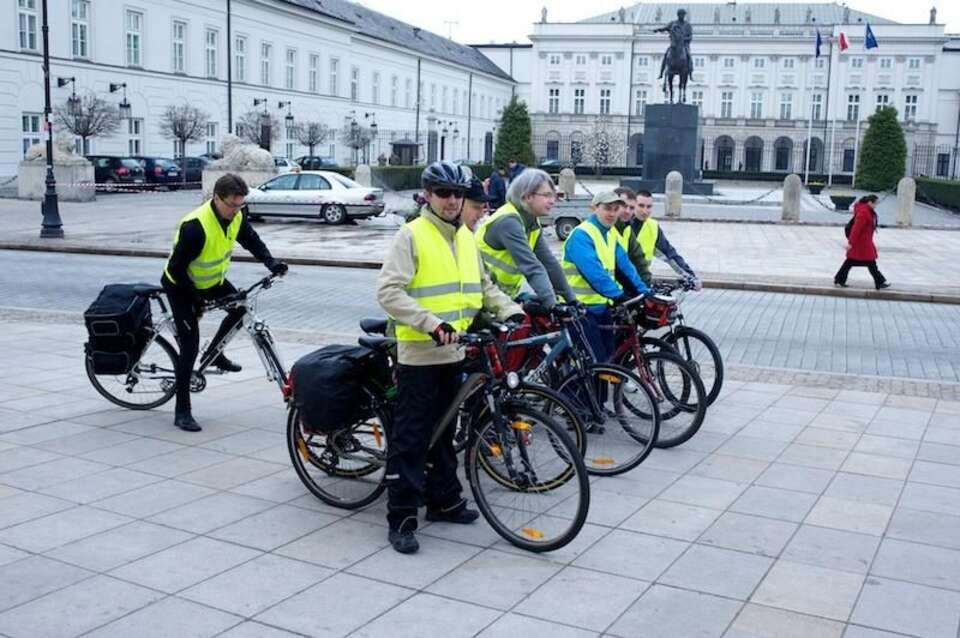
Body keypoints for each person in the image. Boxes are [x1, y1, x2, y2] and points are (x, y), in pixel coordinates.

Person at [376, 160, 524, 554]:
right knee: (411, 438)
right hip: (420, 354)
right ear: (428, 195)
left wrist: (511, 311)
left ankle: (444, 501)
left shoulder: (465, 238)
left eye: (457, 194)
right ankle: (402, 518)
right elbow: (389, 292)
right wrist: (431, 324)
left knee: (443, 432)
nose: (451, 201)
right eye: (443, 193)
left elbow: (483, 287)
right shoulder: (412, 235)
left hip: (455, 352)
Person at [162, 174, 288, 432]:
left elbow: (251, 240)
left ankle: (215, 355)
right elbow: (175, 269)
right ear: (216, 198)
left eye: (240, 205)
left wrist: (271, 262)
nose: (236, 210)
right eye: (232, 205)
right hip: (180, 285)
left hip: (212, 282)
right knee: (189, 348)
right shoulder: (195, 226)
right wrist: (195, 301)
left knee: (241, 309)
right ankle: (182, 411)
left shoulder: (237, 215)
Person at [562, 191, 650, 362]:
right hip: (578, 308)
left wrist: (643, 291)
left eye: (616, 209)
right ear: (594, 208)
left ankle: (605, 389)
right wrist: (618, 295)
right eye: (607, 208)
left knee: (609, 359)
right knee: (594, 362)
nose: (612, 213)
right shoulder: (582, 235)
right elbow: (595, 273)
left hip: (601, 307)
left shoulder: (609, 235)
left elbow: (626, 267)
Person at [475, 168, 575, 308]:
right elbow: (532, 267)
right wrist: (552, 305)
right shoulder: (509, 221)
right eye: (546, 195)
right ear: (527, 197)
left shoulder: (531, 221)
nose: (552, 201)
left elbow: (549, 264)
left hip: (500, 299)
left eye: (553, 195)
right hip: (482, 297)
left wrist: (572, 300)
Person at [630, 189, 701, 289]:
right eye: (641, 206)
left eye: (649, 207)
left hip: (641, 282)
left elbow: (669, 253)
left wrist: (690, 276)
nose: (645, 211)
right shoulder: (623, 224)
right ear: (634, 205)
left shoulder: (652, 227)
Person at [834, 194, 890, 289]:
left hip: (864, 242)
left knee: (852, 262)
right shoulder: (864, 212)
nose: (876, 206)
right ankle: (879, 282)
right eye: (875, 203)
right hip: (862, 243)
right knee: (870, 262)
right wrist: (851, 242)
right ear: (869, 202)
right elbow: (856, 229)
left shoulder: (866, 211)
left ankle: (839, 279)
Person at [612, 187, 653, 285]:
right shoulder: (606, 228)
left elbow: (638, 259)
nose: (628, 211)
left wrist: (646, 286)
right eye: (624, 206)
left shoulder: (627, 229)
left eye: (631, 208)